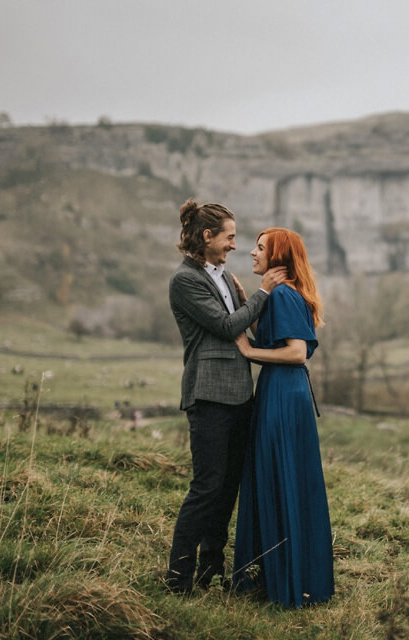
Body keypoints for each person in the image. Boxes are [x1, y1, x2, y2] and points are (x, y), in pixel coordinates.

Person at [165, 201, 286, 595]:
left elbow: (243, 323)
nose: (235, 245)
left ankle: (210, 571)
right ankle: (178, 579)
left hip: (239, 396)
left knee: (228, 487)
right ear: (207, 237)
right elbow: (225, 326)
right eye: (230, 236)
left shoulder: (225, 277)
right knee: (207, 487)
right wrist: (263, 291)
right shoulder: (185, 281)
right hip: (209, 396)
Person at [232, 227, 334, 608]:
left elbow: (295, 353)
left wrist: (247, 350)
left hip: (283, 391)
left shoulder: (287, 295)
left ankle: (287, 580)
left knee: (282, 475)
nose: (252, 254)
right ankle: (280, 573)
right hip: (278, 390)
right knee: (278, 475)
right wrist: (252, 306)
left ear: (277, 257)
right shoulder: (280, 296)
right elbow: (277, 338)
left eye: (260, 248)